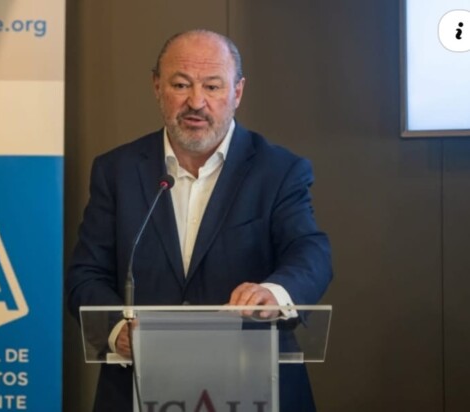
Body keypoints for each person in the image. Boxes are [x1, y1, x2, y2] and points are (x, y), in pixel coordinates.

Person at [66, 29, 332, 412]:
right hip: (139, 386)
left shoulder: (278, 170)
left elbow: (310, 251)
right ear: (157, 87)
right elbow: (86, 275)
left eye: (212, 86)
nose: (196, 102)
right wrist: (117, 329)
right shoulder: (117, 171)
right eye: (181, 85)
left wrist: (276, 292)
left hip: (254, 383)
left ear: (237, 92)